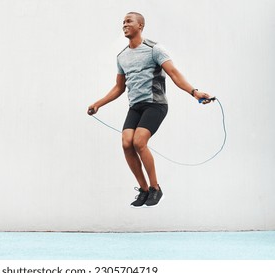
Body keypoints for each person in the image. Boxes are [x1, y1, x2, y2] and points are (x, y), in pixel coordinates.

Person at [87, 12, 213, 208]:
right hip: (135, 106)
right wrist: (98, 103)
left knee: (139, 141)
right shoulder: (121, 56)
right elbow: (119, 87)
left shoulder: (154, 49)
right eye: (123, 22)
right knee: (126, 142)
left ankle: (156, 188)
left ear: (141, 26)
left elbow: (174, 73)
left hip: (155, 104)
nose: (124, 24)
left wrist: (194, 92)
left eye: (129, 21)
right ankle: (144, 190)